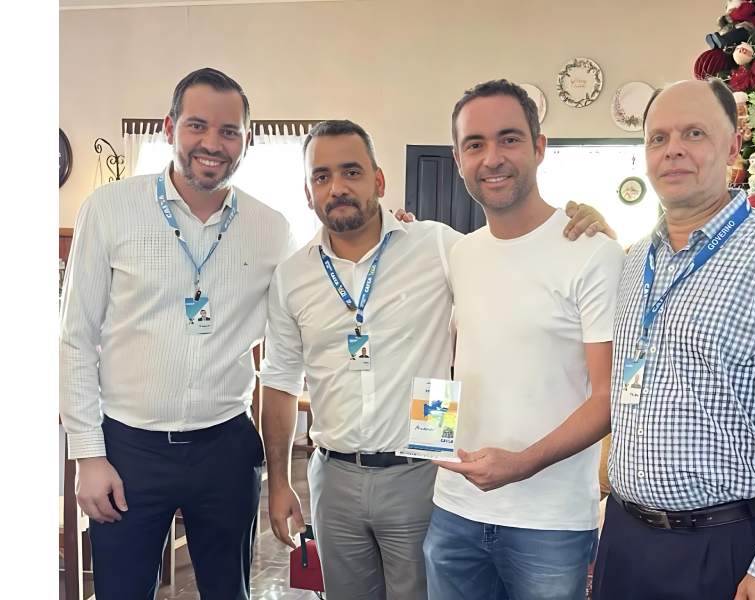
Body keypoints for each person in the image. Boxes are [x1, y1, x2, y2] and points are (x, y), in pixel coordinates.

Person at [259, 119, 606, 600]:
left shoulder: (438, 246)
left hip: (420, 472)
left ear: (379, 181)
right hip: (333, 477)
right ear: (307, 192)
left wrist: (588, 230)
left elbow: (515, 257)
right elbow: (279, 379)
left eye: (352, 172)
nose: (337, 187)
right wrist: (279, 482)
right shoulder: (292, 276)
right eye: (322, 176)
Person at [592, 78, 755, 600]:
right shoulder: (635, 261)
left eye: (694, 133)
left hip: (723, 546)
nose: (673, 150)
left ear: (733, 144)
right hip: (625, 539)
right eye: (658, 138)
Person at [59, 67, 295, 599]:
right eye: (197, 126)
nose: (212, 144)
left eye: (229, 131)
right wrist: (88, 454)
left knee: (229, 592)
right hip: (128, 448)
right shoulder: (110, 209)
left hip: (226, 447)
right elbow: (75, 337)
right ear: (169, 128)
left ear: (247, 140)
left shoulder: (271, 228)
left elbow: (304, 311)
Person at [424, 79, 625, 600]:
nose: (492, 158)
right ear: (458, 160)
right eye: (475, 144)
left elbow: (609, 397)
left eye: (509, 139)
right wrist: (432, 443)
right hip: (454, 510)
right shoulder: (460, 253)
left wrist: (522, 463)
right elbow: (453, 360)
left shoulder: (593, 252)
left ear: (539, 147)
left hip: (549, 521)